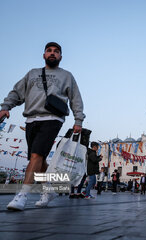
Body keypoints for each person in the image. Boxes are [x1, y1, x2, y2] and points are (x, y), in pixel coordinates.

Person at [3, 42, 85, 211]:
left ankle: (22, 195)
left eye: (56, 51)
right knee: (38, 161)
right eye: (49, 51)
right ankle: (49, 191)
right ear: (44, 55)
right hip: (31, 119)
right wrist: (5, 107)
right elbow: (17, 93)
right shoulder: (32, 74)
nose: (52, 53)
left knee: (36, 155)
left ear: (61, 56)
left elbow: (75, 98)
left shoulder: (66, 76)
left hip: (52, 118)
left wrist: (78, 120)